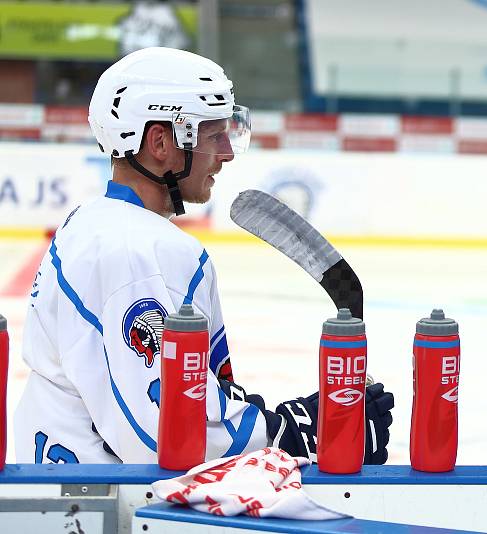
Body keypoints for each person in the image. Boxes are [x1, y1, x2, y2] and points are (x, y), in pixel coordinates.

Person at [14, 47, 394, 464]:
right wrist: (292, 432)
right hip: (110, 511)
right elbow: (164, 433)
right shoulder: (136, 251)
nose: (227, 152)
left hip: (81, 490)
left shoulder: (94, 223)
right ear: (161, 142)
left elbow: (182, 392)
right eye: (214, 135)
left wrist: (276, 421)